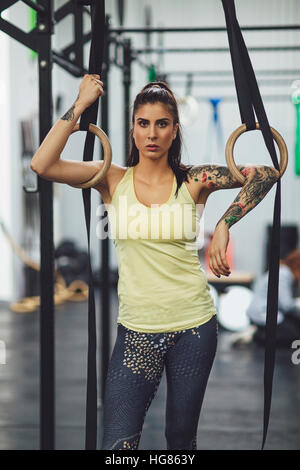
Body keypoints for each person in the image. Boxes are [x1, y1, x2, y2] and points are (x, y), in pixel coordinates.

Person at [30, 74, 280, 450]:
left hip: (193, 328)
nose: (152, 133)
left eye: (161, 124)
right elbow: (42, 164)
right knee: (117, 443)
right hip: (137, 331)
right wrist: (80, 106)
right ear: (132, 130)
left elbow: (266, 173)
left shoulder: (194, 180)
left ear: (174, 130)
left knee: (180, 440)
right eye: (143, 123)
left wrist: (225, 223)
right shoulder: (111, 179)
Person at [246, 249, 300, 347]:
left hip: (267, 312)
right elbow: (286, 305)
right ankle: (257, 334)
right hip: (263, 313)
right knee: (292, 335)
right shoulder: (284, 275)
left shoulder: (284, 271)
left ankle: (258, 331)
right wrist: (297, 305)